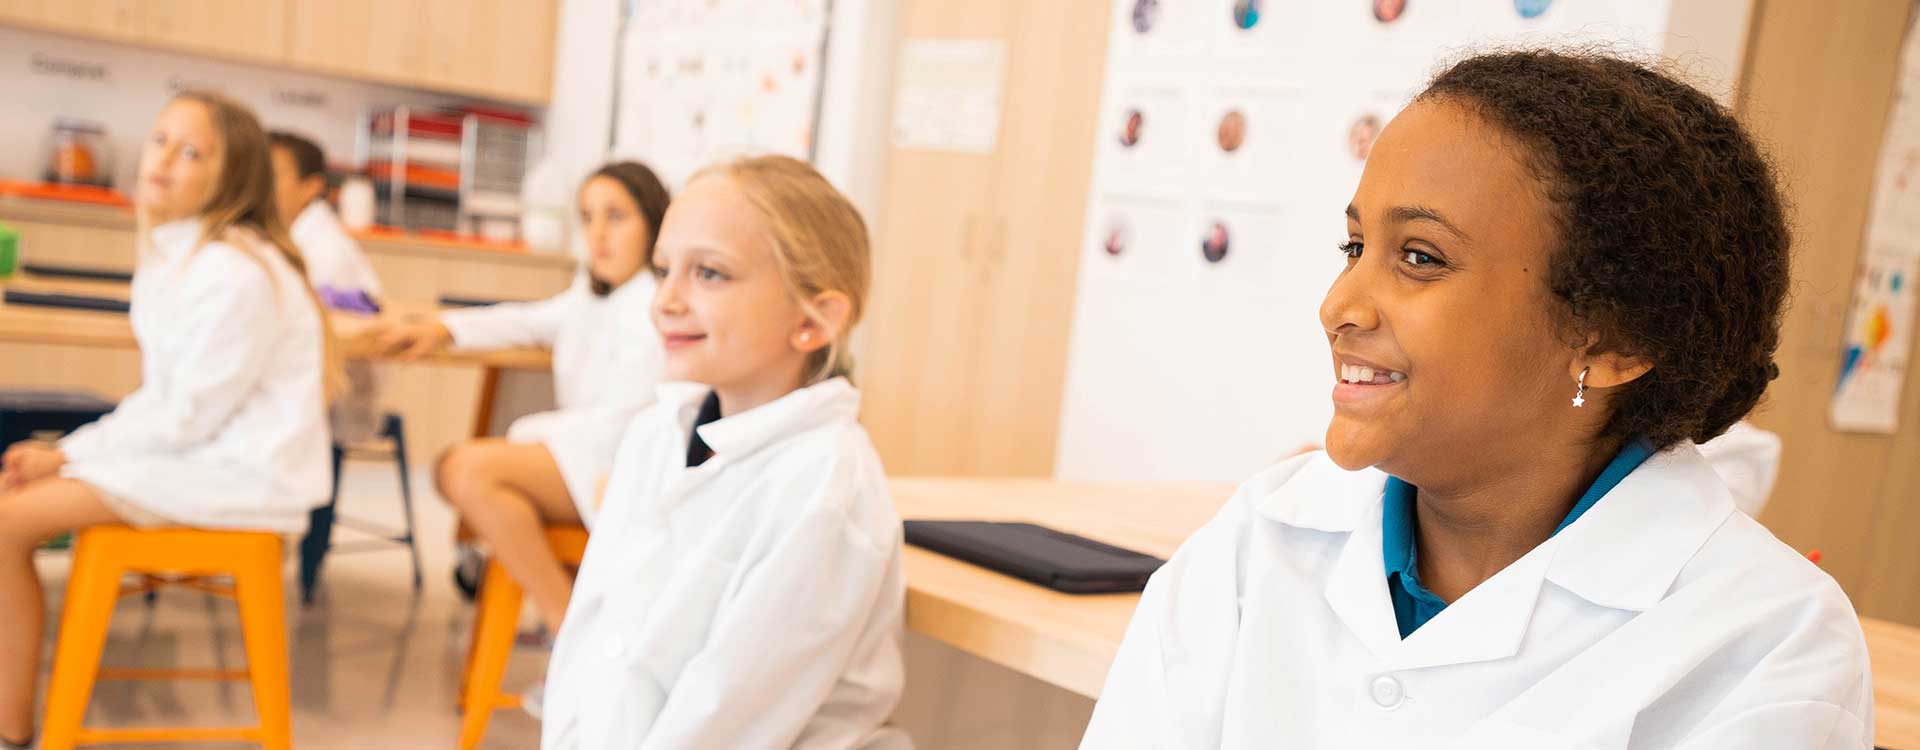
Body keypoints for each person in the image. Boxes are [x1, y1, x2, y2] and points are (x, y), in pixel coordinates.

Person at [1083, 49, 1871, 748]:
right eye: (1355, 247)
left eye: (1420, 257)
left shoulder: (1769, 639)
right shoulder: (1261, 541)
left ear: (1610, 341)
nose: (1340, 306)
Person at [0, 91, 337, 750]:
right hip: (206, 454)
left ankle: (11, 726)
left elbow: (184, 415)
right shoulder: (184, 252)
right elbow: (175, 406)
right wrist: (75, 454)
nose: (164, 161)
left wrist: (66, 454)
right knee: (11, 509)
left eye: (192, 153)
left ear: (232, 177)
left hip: (240, 474)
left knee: (8, 517)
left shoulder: (232, 271)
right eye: (160, 140)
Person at [541, 156, 908, 749]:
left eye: (708, 274)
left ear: (814, 321)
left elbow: (725, 722)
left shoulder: (823, 489)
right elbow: (589, 637)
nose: (666, 300)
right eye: (664, 270)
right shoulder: (655, 435)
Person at [370, 162, 670, 633]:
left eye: (616, 217)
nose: (598, 234)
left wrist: (527, 436)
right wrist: (446, 328)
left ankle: (564, 620)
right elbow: (526, 320)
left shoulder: (657, 305)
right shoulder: (594, 296)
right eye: (587, 217)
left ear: (654, 223)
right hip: (580, 453)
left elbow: (622, 422)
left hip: (615, 465)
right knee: (468, 474)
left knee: (466, 469)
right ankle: (572, 616)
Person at [268, 130, 383, 300]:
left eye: (274, 176)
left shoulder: (324, 249)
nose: (262, 185)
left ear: (312, 186)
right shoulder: (279, 232)